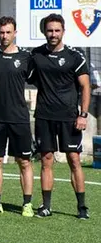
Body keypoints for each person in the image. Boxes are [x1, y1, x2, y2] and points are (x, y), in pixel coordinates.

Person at [29, 13, 90, 220]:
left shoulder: (75, 56)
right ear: (44, 32)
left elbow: (85, 86)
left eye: (57, 30)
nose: (53, 34)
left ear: (63, 31)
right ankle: (46, 206)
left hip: (69, 117)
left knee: (74, 159)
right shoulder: (36, 55)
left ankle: (82, 207)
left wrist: (83, 115)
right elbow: (28, 77)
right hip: (44, 116)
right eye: (49, 30)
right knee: (46, 160)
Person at [0, 17, 35, 217]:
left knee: (24, 162)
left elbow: (40, 80)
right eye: (1, 32)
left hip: (19, 117)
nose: (4, 36)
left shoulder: (26, 58)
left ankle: (27, 204)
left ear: (15, 33)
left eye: (8, 32)